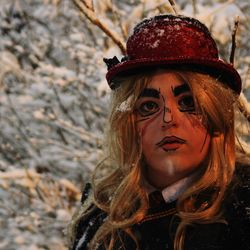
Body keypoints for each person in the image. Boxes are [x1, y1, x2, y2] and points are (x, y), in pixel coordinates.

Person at [69, 14, 250, 250]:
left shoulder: (242, 209)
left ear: (216, 114)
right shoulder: (100, 211)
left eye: (188, 103)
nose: (168, 119)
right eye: (149, 106)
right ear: (128, 123)